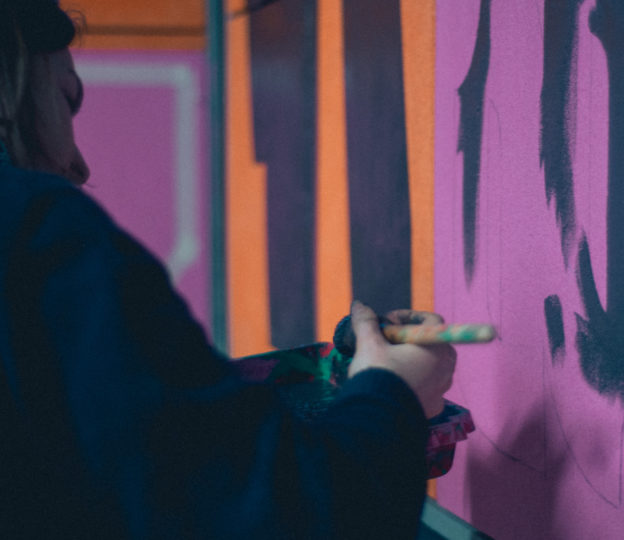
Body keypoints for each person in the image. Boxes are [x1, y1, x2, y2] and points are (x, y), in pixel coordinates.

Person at [0, 1, 456, 538]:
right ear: (12, 85)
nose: (79, 168)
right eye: (65, 98)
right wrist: (394, 392)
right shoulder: (39, 232)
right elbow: (288, 514)